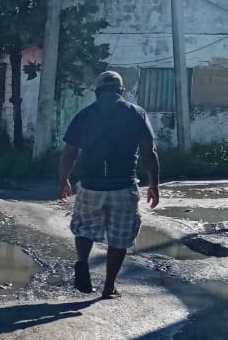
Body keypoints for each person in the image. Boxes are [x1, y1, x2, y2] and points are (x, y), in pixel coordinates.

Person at [58, 70, 160, 299]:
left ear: (97, 92)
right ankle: (108, 287)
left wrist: (64, 180)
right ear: (121, 91)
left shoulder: (84, 115)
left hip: (90, 185)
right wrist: (154, 183)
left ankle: (82, 262)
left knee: (84, 228)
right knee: (119, 237)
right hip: (123, 186)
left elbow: (69, 154)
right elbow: (148, 152)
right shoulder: (136, 113)